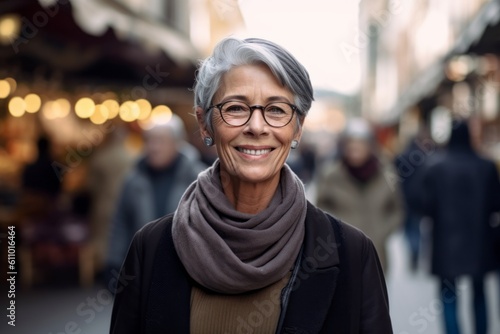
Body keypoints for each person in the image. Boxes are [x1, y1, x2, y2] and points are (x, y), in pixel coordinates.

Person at [110, 37, 392, 333]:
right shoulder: (151, 248)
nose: (257, 127)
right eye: (235, 108)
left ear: (297, 128)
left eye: (277, 110)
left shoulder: (351, 253)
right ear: (205, 123)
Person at [420, 120, 500, 334]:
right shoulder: (486, 166)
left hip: (446, 244)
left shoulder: (435, 167)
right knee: (480, 294)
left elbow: (425, 206)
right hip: (480, 242)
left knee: (448, 296)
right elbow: (496, 204)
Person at [105, 116, 206, 281]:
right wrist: (113, 263)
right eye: (149, 141)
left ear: (177, 143)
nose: (153, 147)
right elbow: (120, 223)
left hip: (187, 272)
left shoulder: (198, 177)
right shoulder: (134, 179)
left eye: (160, 141)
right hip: (143, 269)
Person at [315, 118, 403, 272]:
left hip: (376, 254)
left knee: (375, 295)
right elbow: (320, 209)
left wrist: (383, 231)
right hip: (342, 254)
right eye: (351, 145)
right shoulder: (331, 175)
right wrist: (337, 231)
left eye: (360, 144)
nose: (355, 150)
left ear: (370, 146)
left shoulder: (386, 174)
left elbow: (397, 210)